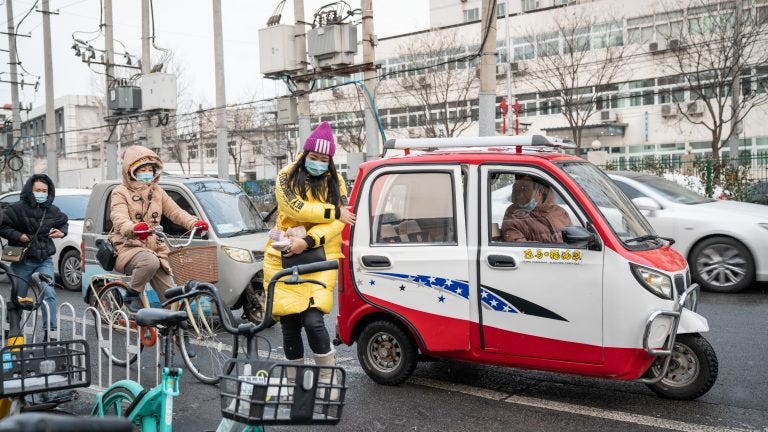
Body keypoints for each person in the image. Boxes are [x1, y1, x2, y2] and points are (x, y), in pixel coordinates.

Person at [264, 121, 355, 394]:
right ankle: (294, 383)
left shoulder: (336, 181)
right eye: (313, 157)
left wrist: (309, 240)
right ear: (305, 155)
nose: (317, 162)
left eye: (323, 159)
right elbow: (296, 208)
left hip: (321, 257)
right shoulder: (285, 175)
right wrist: (333, 212)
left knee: (314, 321)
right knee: (289, 323)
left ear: (330, 160)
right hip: (283, 254)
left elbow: (342, 221)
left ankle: (328, 380)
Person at [108, 146, 209, 315]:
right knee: (149, 262)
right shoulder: (120, 192)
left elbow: (175, 212)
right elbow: (119, 218)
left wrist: (194, 223)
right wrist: (134, 228)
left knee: (173, 298)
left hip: (155, 248)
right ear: (131, 170)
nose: (147, 173)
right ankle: (131, 295)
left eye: (150, 169)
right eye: (142, 170)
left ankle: (178, 334)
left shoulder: (158, 191)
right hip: (128, 246)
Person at [0, 174, 68, 341]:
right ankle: (12, 330)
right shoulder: (16, 209)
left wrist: (62, 232)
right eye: (37, 190)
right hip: (22, 261)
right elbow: (2, 227)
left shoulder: (51, 209)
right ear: (30, 190)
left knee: (49, 294)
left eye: (44, 191)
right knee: (18, 297)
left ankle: (50, 333)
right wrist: (18, 236)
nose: (41, 193)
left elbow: (63, 222)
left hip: (44, 259)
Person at [501, 174, 571, 243]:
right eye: (516, 189)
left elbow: (573, 238)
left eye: (524, 189)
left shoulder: (560, 212)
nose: (519, 195)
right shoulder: (513, 214)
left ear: (540, 191)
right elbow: (520, 247)